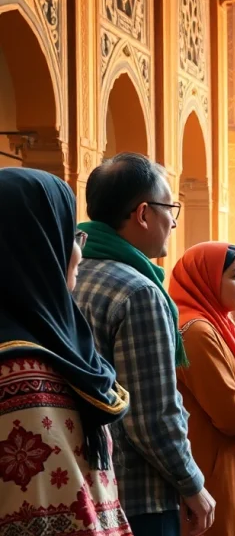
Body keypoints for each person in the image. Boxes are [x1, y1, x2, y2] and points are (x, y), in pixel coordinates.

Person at [73, 153, 214, 536]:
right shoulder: (139, 292)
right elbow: (152, 415)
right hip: (141, 495)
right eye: (170, 208)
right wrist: (192, 483)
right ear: (143, 214)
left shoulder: (72, 273)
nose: (172, 221)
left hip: (83, 483)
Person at [0, 168, 132, 535]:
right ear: (36, 247)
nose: (78, 248)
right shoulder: (23, 375)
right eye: (70, 234)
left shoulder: (54, 348)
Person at [169, 242, 235, 536]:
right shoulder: (196, 332)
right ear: (207, 278)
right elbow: (233, 417)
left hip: (234, 464)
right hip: (218, 469)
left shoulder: (219, 325)